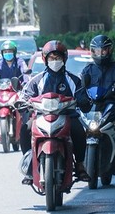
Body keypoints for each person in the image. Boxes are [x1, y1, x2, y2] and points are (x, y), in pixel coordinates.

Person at [18, 40, 88, 184]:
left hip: (67, 116)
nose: (55, 61)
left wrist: (84, 101)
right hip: (41, 117)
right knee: (25, 129)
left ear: (64, 59)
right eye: (51, 58)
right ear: (45, 59)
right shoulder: (37, 80)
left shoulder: (73, 80)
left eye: (58, 58)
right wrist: (21, 102)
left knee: (79, 131)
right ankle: (29, 164)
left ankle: (80, 165)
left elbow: (82, 96)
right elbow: (25, 95)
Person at [78, 34, 115, 170]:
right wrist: (78, 99)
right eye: (97, 50)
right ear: (92, 51)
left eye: (104, 50)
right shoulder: (88, 69)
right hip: (92, 108)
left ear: (109, 50)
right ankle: (78, 160)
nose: (101, 53)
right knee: (76, 126)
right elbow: (80, 88)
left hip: (111, 106)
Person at [0, 40, 28, 138]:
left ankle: (26, 127)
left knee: (25, 105)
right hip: (3, 91)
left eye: (10, 51)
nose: (8, 54)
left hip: (17, 90)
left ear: (14, 52)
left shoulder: (20, 62)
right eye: (5, 52)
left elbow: (25, 72)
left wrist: (25, 83)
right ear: (2, 53)